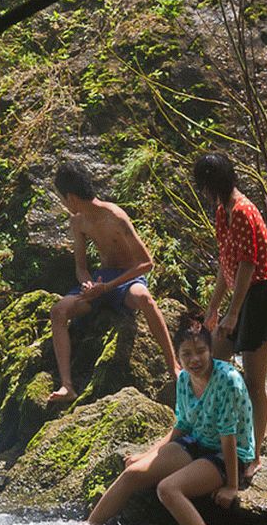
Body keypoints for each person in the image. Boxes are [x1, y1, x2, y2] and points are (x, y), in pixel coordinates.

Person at [87, 312, 255, 525]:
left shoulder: (228, 380)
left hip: (229, 453)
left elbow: (228, 436)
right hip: (198, 442)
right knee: (132, 474)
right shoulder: (185, 379)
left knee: (168, 489)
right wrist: (147, 455)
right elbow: (182, 425)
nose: (195, 359)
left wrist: (232, 486)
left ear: (211, 351)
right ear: (178, 356)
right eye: (187, 354)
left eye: (201, 352)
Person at [48, 161, 180, 402]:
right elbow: (80, 267)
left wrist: (108, 287)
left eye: (63, 199)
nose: (64, 204)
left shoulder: (115, 216)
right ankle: (67, 386)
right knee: (58, 311)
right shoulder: (78, 222)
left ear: (71, 197)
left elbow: (147, 263)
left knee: (145, 298)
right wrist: (88, 284)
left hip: (127, 279)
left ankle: (174, 368)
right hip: (100, 282)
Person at [194, 153, 267, 479]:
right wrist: (213, 308)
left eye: (205, 185)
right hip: (239, 296)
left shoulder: (244, 212)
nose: (203, 192)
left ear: (213, 184)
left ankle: (255, 454)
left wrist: (233, 314)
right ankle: (218, 441)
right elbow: (226, 264)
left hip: (260, 297)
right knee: (216, 367)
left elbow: (248, 266)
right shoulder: (223, 212)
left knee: (253, 380)